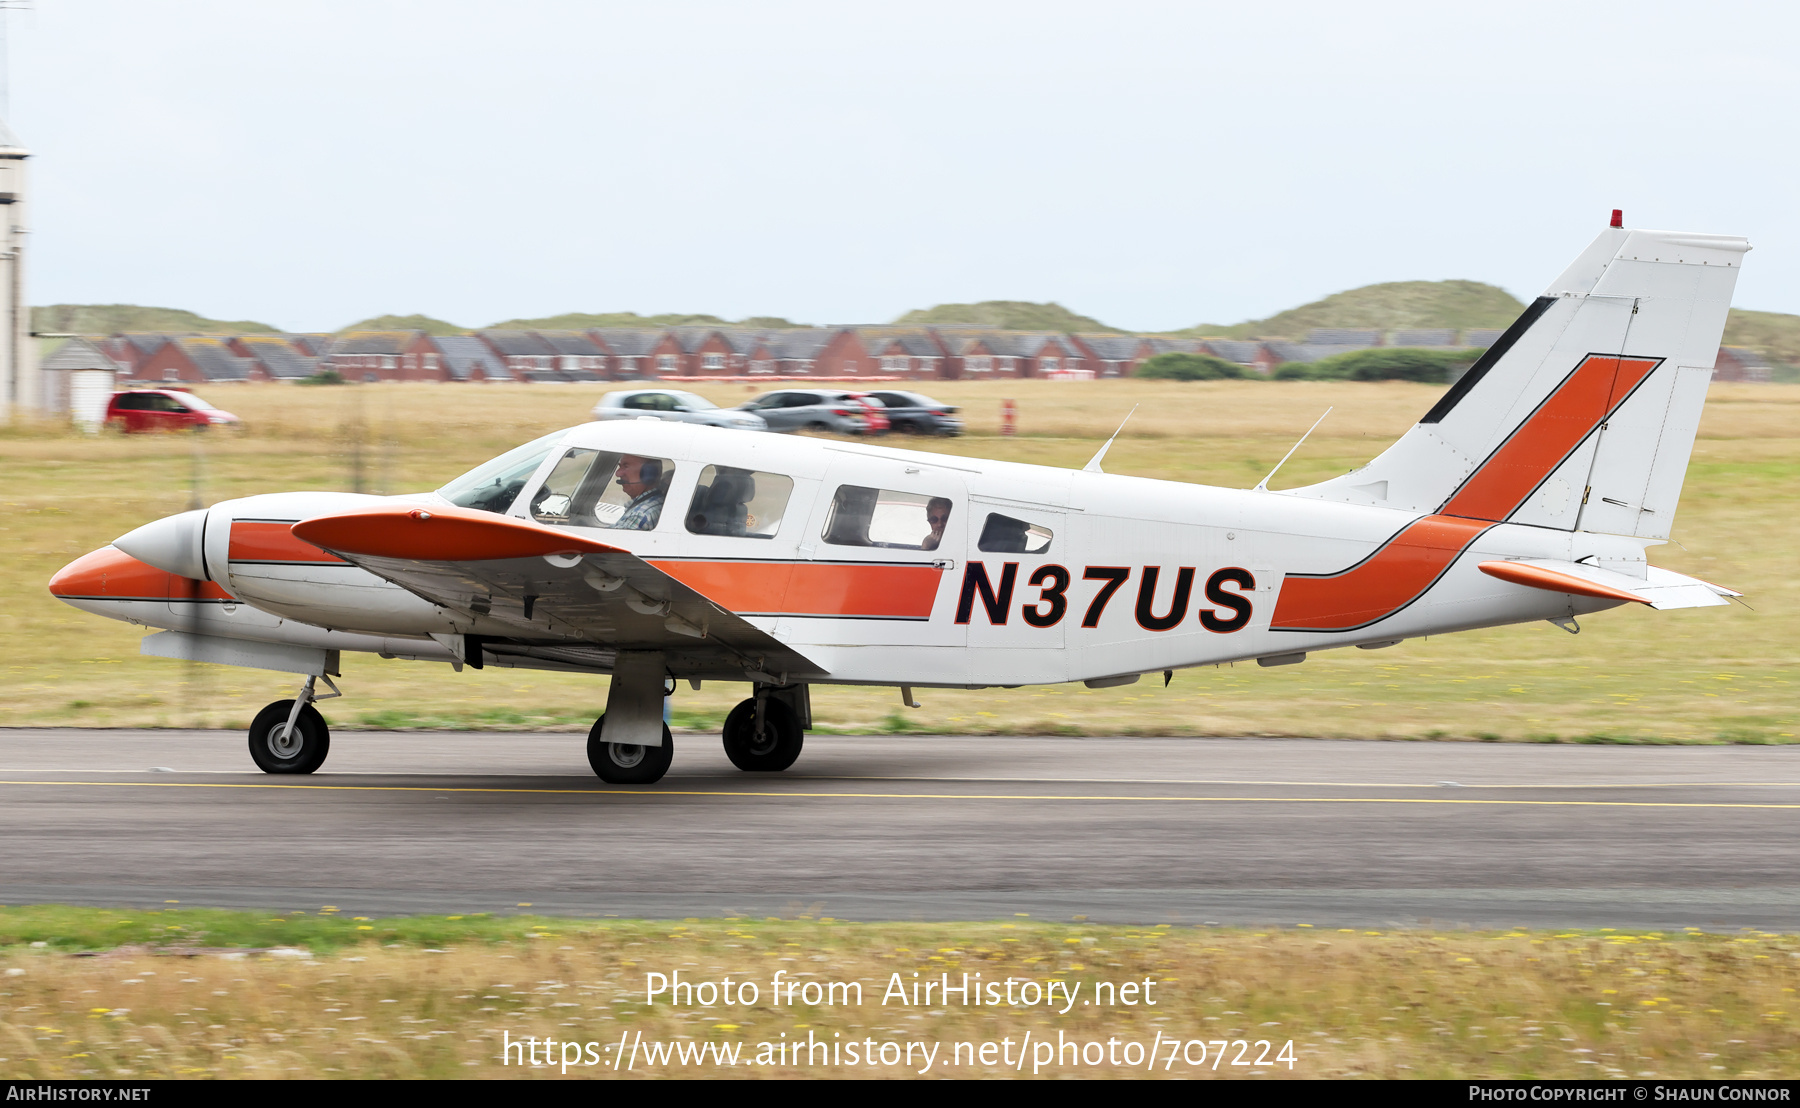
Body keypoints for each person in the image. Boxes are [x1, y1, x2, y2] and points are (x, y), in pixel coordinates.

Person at [610, 454, 666, 530]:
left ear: (648, 473)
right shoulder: (658, 500)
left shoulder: (640, 515)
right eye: (620, 467)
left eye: (626, 466)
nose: (618, 473)